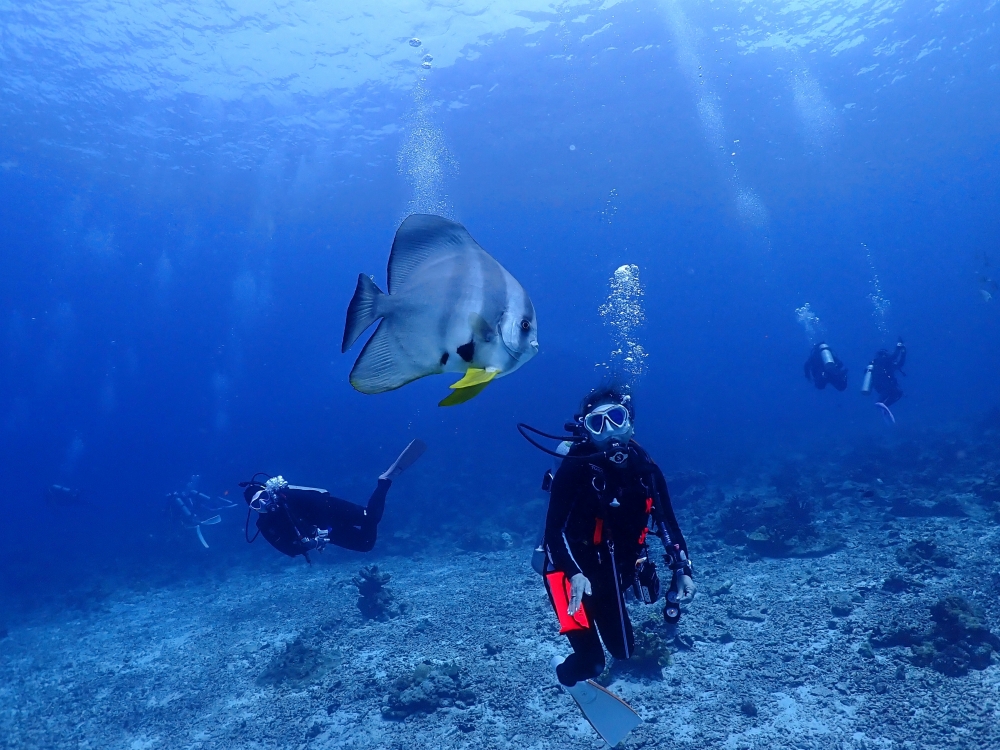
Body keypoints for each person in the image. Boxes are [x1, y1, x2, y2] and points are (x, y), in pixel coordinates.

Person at [538, 387, 695, 691]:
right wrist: (575, 574)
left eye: (616, 418)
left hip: (608, 575)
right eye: (598, 424)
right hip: (566, 576)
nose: (609, 430)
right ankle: (564, 672)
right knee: (592, 663)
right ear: (588, 431)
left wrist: (683, 571)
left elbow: (667, 523)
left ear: (630, 424)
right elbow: (553, 533)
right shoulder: (575, 468)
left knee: (623, 651)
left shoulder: (646, 470)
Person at [240, 439, 426, 561]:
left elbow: (320, 498)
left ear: (269, 492)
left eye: (263, 497)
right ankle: (379, 492)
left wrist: (323, 526)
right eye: (256, 505)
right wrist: (312, 542)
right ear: (253, 510)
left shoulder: (288, 496)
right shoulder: (265, 525)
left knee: (371, 517)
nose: (264, 504)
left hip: (330, 509)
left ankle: (385, 481)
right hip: (324, 532)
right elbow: (288, 549)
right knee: (366, 545)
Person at [870, 338, 907, 409]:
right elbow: (894, 356)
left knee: (898, 393)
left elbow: (900, 364)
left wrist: (903, 353)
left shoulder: (888, 365)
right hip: (882, 383)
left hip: (882, 385)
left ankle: (884, 406)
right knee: (887, 391)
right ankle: (880, 402)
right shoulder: (882, 360)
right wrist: (898, 346)